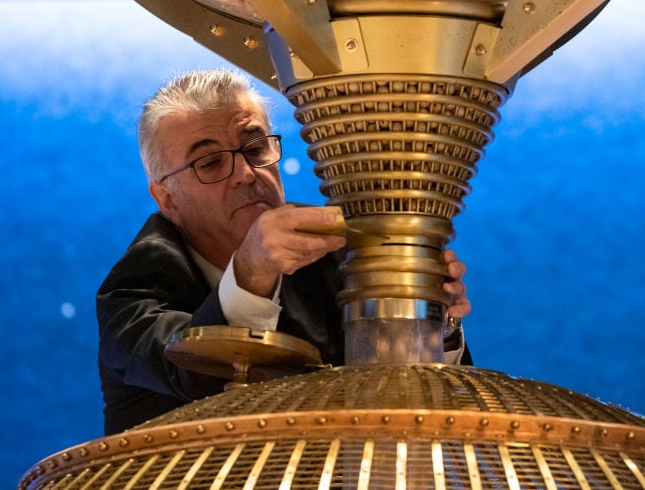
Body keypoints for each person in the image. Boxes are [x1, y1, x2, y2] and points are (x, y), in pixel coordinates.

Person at [97, 69, 472, 434]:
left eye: (255, 148)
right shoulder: (132, 293)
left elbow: (411, 407)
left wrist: (430, 322)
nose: (246, 173)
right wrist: (251, 270)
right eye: (211, 162)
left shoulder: (338, 255)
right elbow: (194, 371)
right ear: (167, 200)